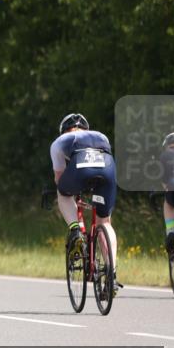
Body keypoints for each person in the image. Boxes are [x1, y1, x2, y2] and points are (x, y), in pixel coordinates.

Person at [50, 113, 120, 289]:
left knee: (63, 193)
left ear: (63, 130)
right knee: (105, 221)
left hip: (80, 168)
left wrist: (70, 187)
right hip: (108, 167)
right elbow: (99, 164)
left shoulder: (60, 142)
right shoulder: (100, 136)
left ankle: (75, 230)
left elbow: (59, 178)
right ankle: (111, 272)